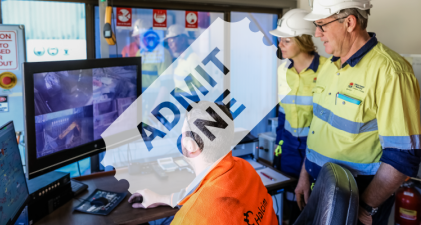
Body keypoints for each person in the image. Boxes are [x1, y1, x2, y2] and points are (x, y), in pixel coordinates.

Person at [295, 1, 421, 225]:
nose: (317, 33)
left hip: (355, 199)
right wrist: (305, 174)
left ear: (349, 23)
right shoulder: (328, 66)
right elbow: (319, 128)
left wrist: (365, 207)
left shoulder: (391, 72)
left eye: (322, 25)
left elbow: (403, 156)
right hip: (319, 187)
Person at [128, 101, 278, 225]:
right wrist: (163, 199)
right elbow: (204, 191)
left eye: (183, 133)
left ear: (190, 145)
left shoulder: (189, 220)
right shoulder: (245, 168)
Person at [269, 8, 327, 224]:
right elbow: (282, 115)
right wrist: (279, 148)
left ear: (302, 41)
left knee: (312, 203)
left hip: (317, 149)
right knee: (289, 201)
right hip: (289, 147)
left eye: (285, 41)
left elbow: (325, 122)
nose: (280, 45)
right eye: (280, 40)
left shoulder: (326, 70)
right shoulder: (283, 70)